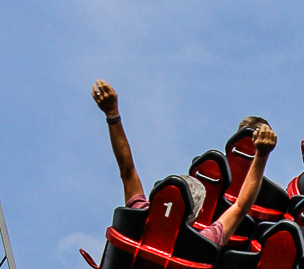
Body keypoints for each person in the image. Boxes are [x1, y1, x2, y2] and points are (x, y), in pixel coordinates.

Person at [92, 79, 276, 245]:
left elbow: (127, 170)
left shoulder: (138, 217)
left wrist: (112, 114)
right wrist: (261, 156)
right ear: (200, 214)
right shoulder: (203, 242)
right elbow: (240, 207)